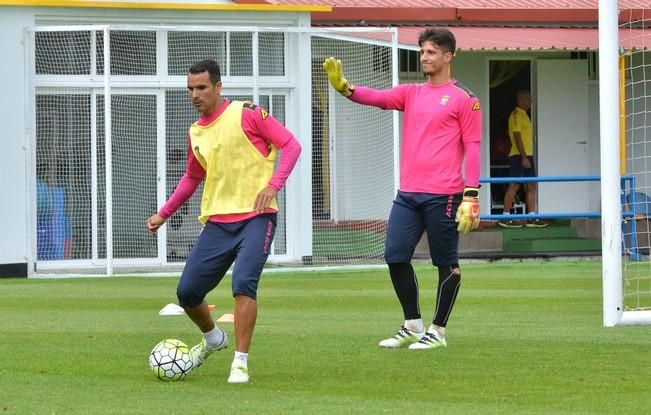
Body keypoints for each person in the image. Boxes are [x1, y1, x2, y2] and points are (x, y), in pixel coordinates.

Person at [323, 28, 482, 350]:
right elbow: (378, 98)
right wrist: (346, 88)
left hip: (445, 195)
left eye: (431, 52)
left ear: (449, 56)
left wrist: (471, 195)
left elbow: (474, 147)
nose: (424, 56)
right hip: (409, 195)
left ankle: (437, 331)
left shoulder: (466, 99)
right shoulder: (411, 93)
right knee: (395, 255)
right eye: (422, 51)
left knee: (446, 263)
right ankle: (412, 323)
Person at [147, 59, 301, 383]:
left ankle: (240, 362)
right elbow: (193, 175)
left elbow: (291, 144)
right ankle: (214, 338)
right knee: (187, 292)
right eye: (190, 89)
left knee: (243, 283)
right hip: (217, 222)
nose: (195, 94)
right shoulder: (196, 132)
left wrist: (273, 185)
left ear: (218, 87)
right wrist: (165, 212)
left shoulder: (247, 113)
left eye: (201, 87)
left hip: (258, 217)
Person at [498, 89, 547, 228]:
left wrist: (527, 157)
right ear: (519, 100)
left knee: (532, 185)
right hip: (519, 156)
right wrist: (524, 157)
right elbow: (517, 137)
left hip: (528, 155)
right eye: (527, 98)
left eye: (530, 98)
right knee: (514, 185)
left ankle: (532, 217)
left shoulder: (525, 115)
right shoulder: (516, 115)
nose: (530, 101)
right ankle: (505, 217)